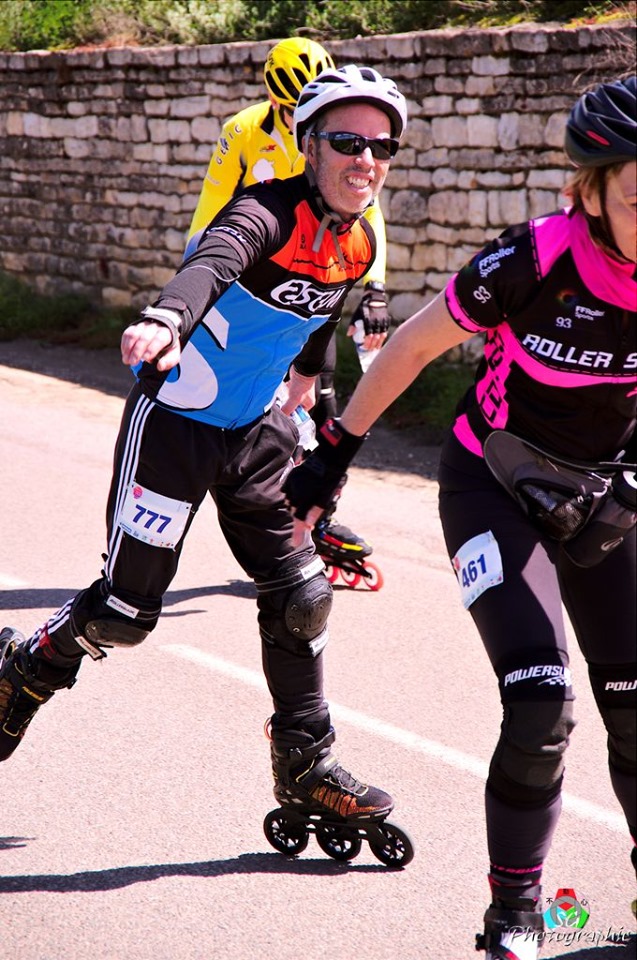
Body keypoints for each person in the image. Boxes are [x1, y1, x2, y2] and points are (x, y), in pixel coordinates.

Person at [0, 65, 409, 841]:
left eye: (381, 146)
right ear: (308, 145)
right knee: (125, 615)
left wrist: (307, 378)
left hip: (256, 433)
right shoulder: (265, 211)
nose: (365, 160)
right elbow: (213, 261)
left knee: (302, 595)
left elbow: (319, 310)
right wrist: (166, 317)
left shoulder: (356, 241)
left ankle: (306, 763)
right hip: (176, 428)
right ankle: (26, 664)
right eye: (346, 142)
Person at [283, 76, 636, 957]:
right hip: (494, 485)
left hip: (606, 493)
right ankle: (513, 913)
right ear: (592, 191)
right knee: (540, 703)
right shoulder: (530, 260)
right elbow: (410, 346)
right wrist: (333, 453)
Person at [185, 37, 392, 563]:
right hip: (256, 277)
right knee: (249, 402)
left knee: (322, 401)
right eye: (287, 110)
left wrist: (375, 289)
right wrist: (198, 277)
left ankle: (320, 510)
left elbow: (368, 211)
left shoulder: (343, 139)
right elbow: (211, 209)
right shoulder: (243, 131)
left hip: (321, 275)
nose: (297, 117)